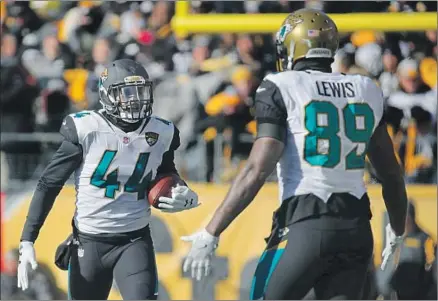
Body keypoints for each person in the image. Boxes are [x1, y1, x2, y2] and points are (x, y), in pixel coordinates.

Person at [181, 8, 408, 300]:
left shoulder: (281, 85)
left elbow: (256, 170)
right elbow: (390, 173)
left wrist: (212, 230)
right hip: (356, 230)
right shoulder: (365, 87)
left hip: (305, 224)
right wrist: (398, 231)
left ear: (292, 47)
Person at [17, 59, 200, 300]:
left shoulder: (161, 131)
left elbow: (167, 171)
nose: (135, 99)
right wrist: (27, 239)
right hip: (89, 242)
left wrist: (181, 189)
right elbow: (49, 184)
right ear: (107, 95)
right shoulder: (87, 129)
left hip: (134, 239)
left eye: (140, 91)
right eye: (126, 93)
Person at [376, 201, 437, 299]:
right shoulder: (392, 240)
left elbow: (431, 267)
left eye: (406, 219)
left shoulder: (425, 240)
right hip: (395, 291)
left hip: (417, 292)